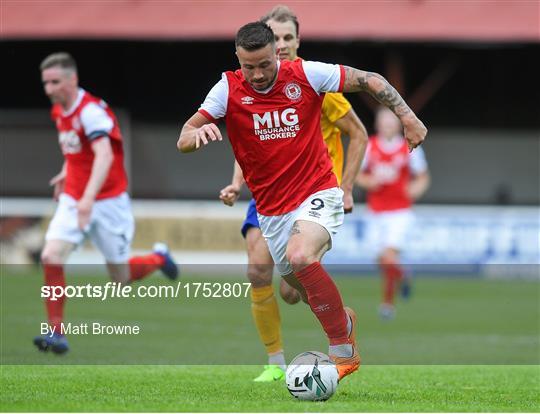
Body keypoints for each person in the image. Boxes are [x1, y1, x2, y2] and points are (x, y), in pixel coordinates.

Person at [177, 22, 427, 382]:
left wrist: (407, 116)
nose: (258, 74)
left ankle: (343, 351)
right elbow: (184, 137)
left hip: (317, 191)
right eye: (250, 67)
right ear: (238, 59)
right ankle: (344, 321)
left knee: (300, 255)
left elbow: (370, 79)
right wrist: (196, 133)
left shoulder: (307, 75)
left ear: (276, 53)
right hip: (271, 211)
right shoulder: (227, 89)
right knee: (298, 287)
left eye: (265, 64)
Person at [218, 5, 368, 382]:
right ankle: (274, 363)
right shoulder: (249, 85)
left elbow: (359, 133)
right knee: (256, 268)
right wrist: (237, 183)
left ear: (297, 41)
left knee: (290, 289)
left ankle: (338, 324)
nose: (281, 45)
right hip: (267, 195)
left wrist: (347, 185)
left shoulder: (315, 82)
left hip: (310, 191)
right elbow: (247, 142)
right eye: (275, 37)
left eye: (288, 38)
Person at [34, 52, 178, 354]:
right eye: (45, 83)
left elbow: (104, 155)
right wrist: (66, 171)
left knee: (121, 278)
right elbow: (78, 150)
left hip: (108, 201)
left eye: (55, 82)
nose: (48, 89)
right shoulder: (60, 110)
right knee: (51, 255)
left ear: (72, 80)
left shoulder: (91, 112)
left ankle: (158, 258)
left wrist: (88, 200)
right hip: (75, 197)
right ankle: (56, 331)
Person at [356, 107, 430, 319]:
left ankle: (387, 305)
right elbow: (356, 174)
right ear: (378, 124)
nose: (387, 125)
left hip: (400, 212)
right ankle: (404, 275)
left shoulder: (409, 146)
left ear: (398, 124)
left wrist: (416, 188)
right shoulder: (370, 146)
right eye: (384, 121)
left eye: (391, 121)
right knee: (381, 260)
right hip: (375, 212)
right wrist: (368, 181)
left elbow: (423, 177)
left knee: (389, 256)